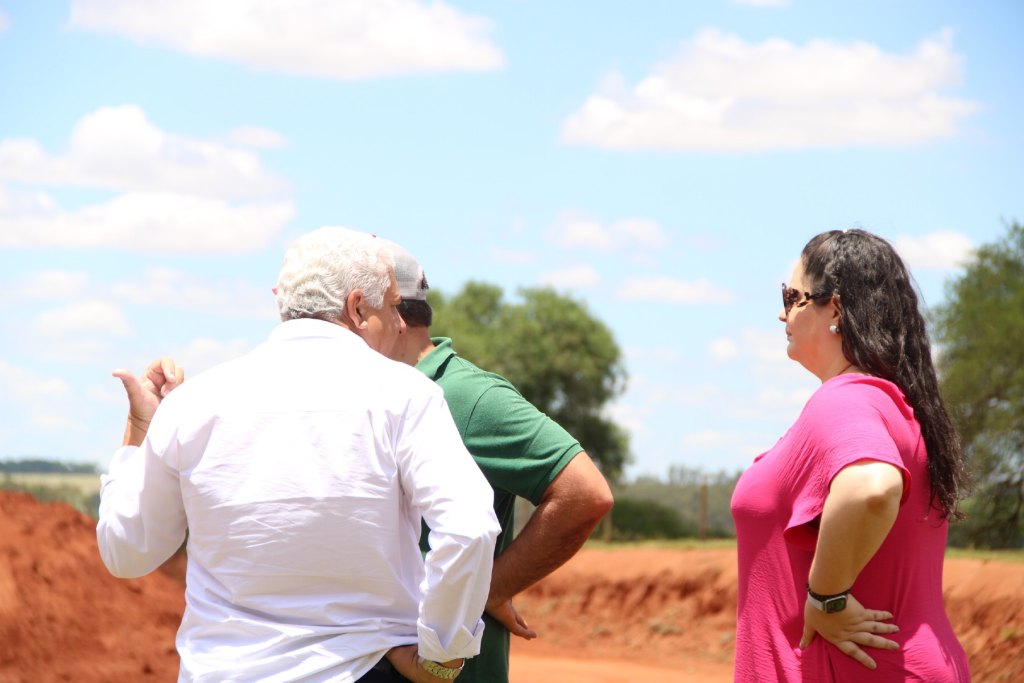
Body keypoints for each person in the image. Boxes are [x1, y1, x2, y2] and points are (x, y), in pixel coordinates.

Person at [96, 227, 500, 683]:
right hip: (364, 671)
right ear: (356, 307)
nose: (402, 324)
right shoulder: (406, 395)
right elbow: (469, 528)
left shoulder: (194, 404)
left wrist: (139, 432)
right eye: (393, 306)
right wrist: (441, 656)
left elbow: (125, 551)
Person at [730, 229, 971, 682]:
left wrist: (826, 599)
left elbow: (872, 488)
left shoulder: (847, 400)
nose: (781, 314)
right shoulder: (892, 404)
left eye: (791, 296)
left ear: (834, 308)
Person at [380, 239, 614, 683]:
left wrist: (486, 590)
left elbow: (584, 493)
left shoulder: (469, 397)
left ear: (384, 312)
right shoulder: (371, 396)